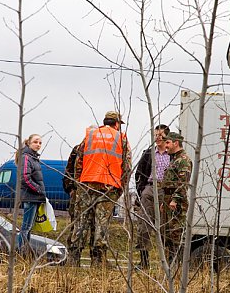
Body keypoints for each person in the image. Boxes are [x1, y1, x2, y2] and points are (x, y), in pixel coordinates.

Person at [69, 111, 132, 267]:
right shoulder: (121, 138)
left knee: (81, 223)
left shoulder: (90, 136)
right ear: (117, 123)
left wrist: (79, 184)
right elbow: (127, 166)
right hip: (108, 187)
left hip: (86, 185)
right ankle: (98, 261)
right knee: (101, 224)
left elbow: (78, 162)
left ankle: (73, 259)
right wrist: (120, 188)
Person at [134, 124, 171, 269]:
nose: (158, 138)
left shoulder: (172, 155)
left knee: (165, 227)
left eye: (161, 135)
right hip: (149, 189)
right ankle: (144, 261)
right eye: (156, 135)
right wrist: (141, 190)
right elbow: (139, 173)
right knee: (144, 226)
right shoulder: (148, 154)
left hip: (165, 190)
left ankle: (167, 263)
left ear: (167, 136)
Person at [160, 131, 193, 264]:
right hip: (168, 200)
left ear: (176, 143)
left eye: (168, 142)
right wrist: (165, 201)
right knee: (166, 235)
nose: (165, 145)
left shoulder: (183, 160)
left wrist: (175, 200)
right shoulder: (174, 159)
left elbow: (183, 183)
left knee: (175, 234)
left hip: (177, 202)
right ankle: (169, 265)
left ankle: (176, 265)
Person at [16, 134, 46, 252]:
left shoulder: (33, 158)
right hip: (30, 196)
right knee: (26, 227)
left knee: (28, 227)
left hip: (35, 197)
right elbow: (25, 178)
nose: (38, 144)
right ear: (28, 143)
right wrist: (38, 189)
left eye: (40, 143)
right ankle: (19, 251)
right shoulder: (26, 157)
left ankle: (25, 251)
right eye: (35, 142)